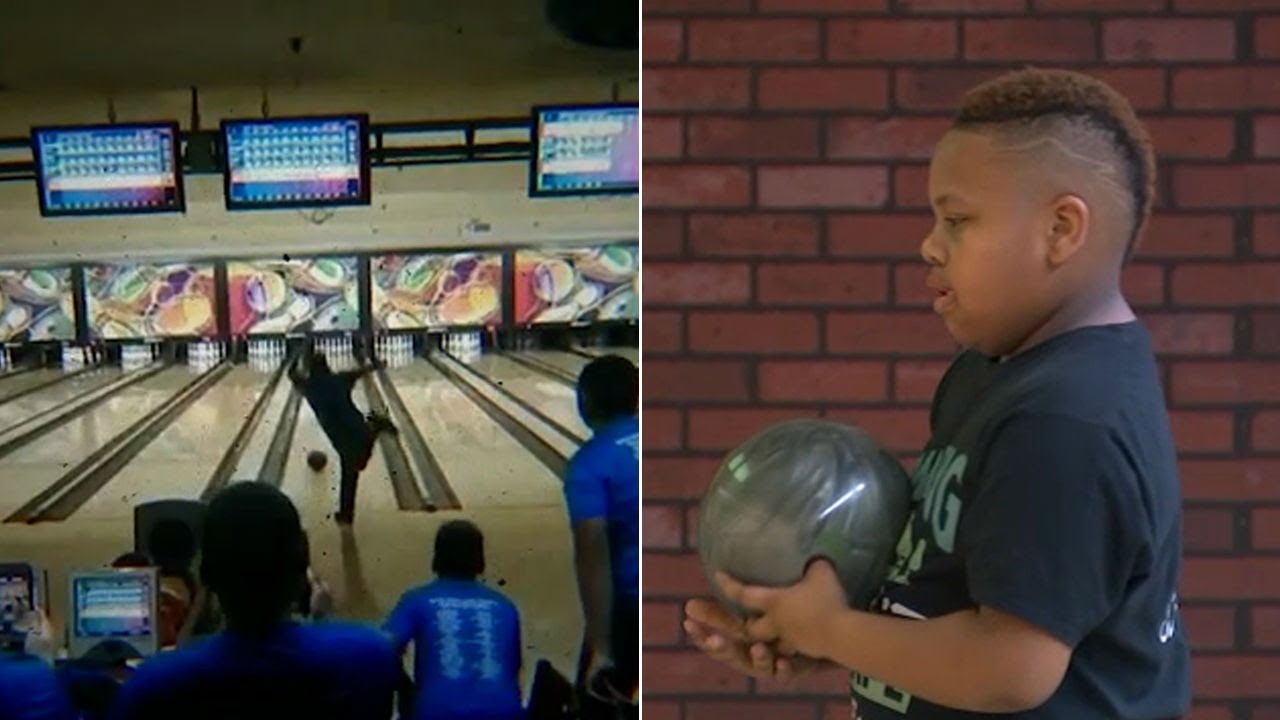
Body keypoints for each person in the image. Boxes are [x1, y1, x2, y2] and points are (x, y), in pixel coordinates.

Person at [684, 67, 1191, 719]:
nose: (929, 245)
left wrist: (831, 628)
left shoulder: (1064, 421)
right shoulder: (993, 372)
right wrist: (835, 639)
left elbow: (1010, 668)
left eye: (958, 220)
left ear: (1061, 231)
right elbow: (958, 602)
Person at [108, 482, 401, 720]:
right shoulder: (371, 656)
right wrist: (322, 619)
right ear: (301, 567)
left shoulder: (154, 682)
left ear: (207, 574)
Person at [383, 520, 524, 720]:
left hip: (437, 713)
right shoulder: (505, 606)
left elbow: (382, 649)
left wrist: (407, 693)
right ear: (480, 560)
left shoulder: (417, 599)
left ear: (436, 558)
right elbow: (513, 669)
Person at [565, 355, 639, 712]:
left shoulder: (590, 464)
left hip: (632, 607)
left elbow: (592, 555)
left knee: (597, 701)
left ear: (584, 403)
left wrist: (600, 645)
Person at [288, 346, 397, 524]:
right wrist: (376, 365)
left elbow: (291, 373)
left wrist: (298, 352)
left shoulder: (308, 386)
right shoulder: (340, 379)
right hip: (358, 426)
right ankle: (375, 426)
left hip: (341, 436)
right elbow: (361, 371)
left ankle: (346, 514)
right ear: (327, 366)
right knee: (355, 466)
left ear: (309, 370)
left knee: (352, 469)